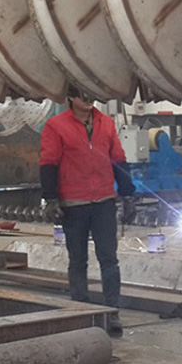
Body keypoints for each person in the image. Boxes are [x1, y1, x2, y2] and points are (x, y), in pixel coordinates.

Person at [39, 89, 135, 338]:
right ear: (71, 98)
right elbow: (49, 162)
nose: (88, 98)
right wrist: (51, 199)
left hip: (104, 201)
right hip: (74, 203)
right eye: (82, 94)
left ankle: (112, 313)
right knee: (78, 260)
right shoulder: (56, 126)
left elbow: (118, 159)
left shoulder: (106, 123)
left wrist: (127, 194)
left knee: (109, 260)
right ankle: (80, 313)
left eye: (90, 93)